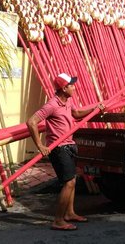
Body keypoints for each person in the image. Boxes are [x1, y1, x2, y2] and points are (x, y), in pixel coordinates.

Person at [26, 73, 104, 231]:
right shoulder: (52, 105)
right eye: (71, 85)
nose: (74, 88)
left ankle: (69, 213)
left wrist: (94, 110)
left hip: (70, 145)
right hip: (59, 148)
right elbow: (31, 122)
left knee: (72, 180)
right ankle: (58, 220)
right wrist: (40, 145)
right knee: (69, 182)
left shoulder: (68, 101)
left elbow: (76, 115)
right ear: (63, 88)